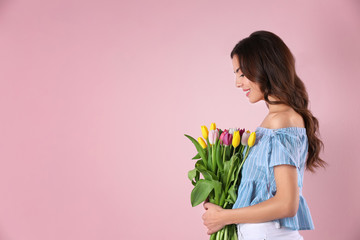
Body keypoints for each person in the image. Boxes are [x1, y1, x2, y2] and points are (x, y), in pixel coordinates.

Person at [201, 30, 327, 240]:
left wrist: (225, 217)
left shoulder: (282, 120)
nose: (238, 83)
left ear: (264, 68)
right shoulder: (276, 119)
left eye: (242, 73)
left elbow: (287, 204)